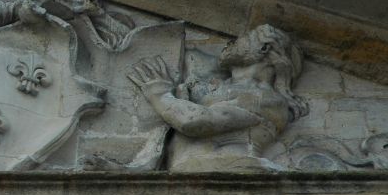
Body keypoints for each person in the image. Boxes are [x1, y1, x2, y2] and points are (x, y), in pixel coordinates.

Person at [127, 24, 307, 172]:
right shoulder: (225, 90)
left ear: (264, 47)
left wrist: (158, 92)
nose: (230, 43)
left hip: (222, 175)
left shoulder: (265, 97)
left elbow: (194, 122)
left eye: (241, 39)